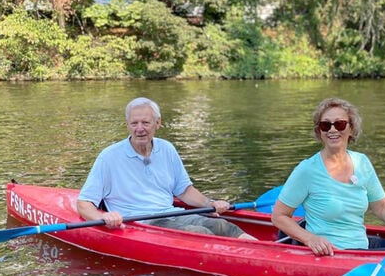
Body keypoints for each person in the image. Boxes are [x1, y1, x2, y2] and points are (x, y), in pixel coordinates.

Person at [272, 97, 385, 255]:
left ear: (351, 128)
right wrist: (311, 239)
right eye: (325, 125)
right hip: (332, 253)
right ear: (319, 131)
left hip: (361, 247)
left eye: (340, 124)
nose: (332, 130)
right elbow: (279, 216)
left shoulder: (362, 162)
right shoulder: (307, 170)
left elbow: (380, 205)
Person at [77, 97, 255, 239]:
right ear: (127, 124)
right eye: (134, 123)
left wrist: (210, 204)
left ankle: (262, 254)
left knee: (223, 225)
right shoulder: (109, 157)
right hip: (142, 223)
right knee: (199, 233)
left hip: (171, 213)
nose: (139, 129)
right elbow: (84, 204)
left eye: (145, 123)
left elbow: (184, 191)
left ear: (157, 123)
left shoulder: (167, 149)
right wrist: (103, 218)